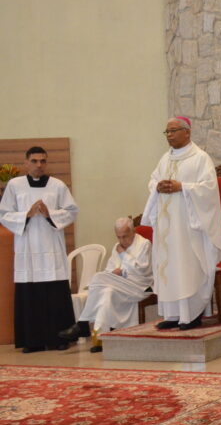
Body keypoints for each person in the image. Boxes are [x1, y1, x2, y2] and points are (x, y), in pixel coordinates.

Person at [141, 117, 221, 330]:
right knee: (169, 267)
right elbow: (152, 180)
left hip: (189, 227)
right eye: (167, 132)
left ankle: (191, 314)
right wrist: (157, 186)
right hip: (167, 227)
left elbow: (208, 189)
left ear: (187, 132)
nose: (169, 135)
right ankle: (173, 315)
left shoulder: (200, 158)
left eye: (173, 131)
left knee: (187, 267)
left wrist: (183, 187)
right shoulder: (165, 159)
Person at [0, 146, 78, 353]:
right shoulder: (15, 185)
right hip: (27, 249)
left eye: (43, 161)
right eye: (34, 161)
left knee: (55, 293)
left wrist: (48, 213)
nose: (39, 165)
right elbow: (4, 213)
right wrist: (26, 214)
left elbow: (71, 211)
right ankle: (32, 341)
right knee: (30, 293)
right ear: (26, 163)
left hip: (51, 247)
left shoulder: (57, 185)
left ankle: (60, 339)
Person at [59, 217, 154, 353]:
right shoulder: (117, 247)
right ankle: (101, 339)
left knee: (98, 278)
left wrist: (123, 259)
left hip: (140, 286)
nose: (122, 241)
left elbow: (142, 270)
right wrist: (116, 272)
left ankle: (83, 323)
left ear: (133, 231)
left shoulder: (144, 244)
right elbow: (109, 270)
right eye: (119, 237)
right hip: (119, 285)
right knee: (106, 291)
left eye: (125, 236)